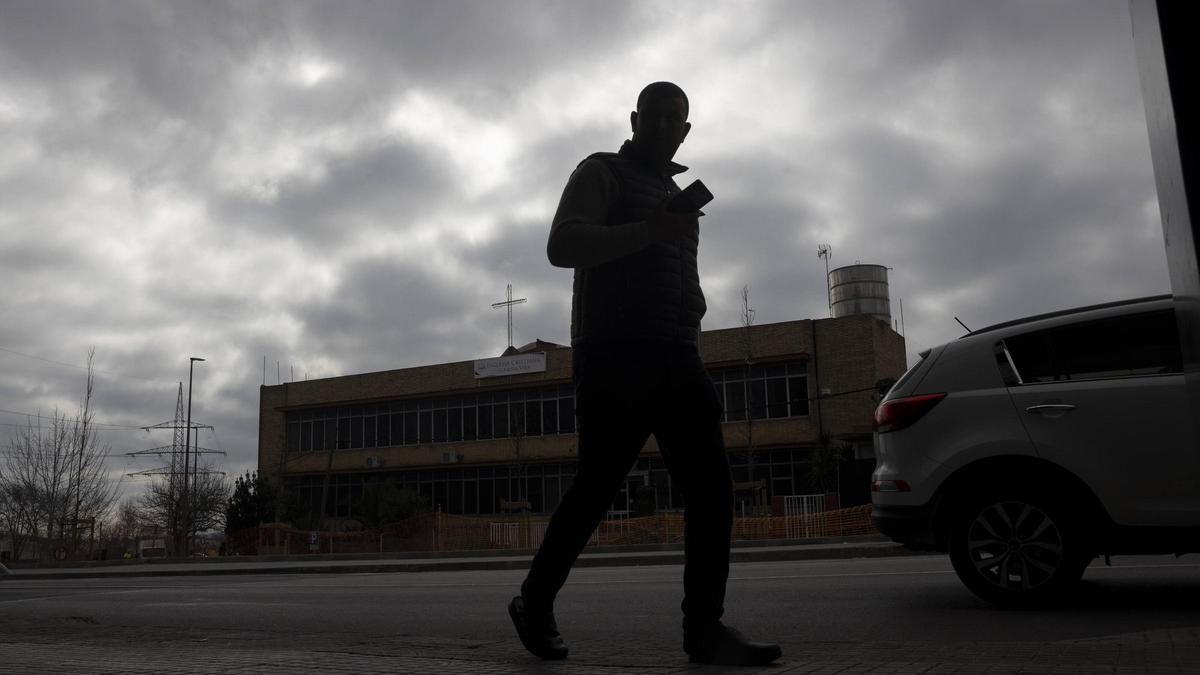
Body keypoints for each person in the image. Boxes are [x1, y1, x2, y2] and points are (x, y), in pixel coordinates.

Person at [508, 82, 782, 667]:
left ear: (686, 131)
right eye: (653, 117)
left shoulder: (679, 197)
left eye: (674, 120)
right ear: (635, 120)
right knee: (596, 489)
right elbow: (563, 244)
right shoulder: (601, 171)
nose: (662, 127)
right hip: (614, 353)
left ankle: (704, 630)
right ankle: (533, 602)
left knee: (712, 490)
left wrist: (694, 303)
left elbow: (673, 267)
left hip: (677, 354)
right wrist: (650, 232)